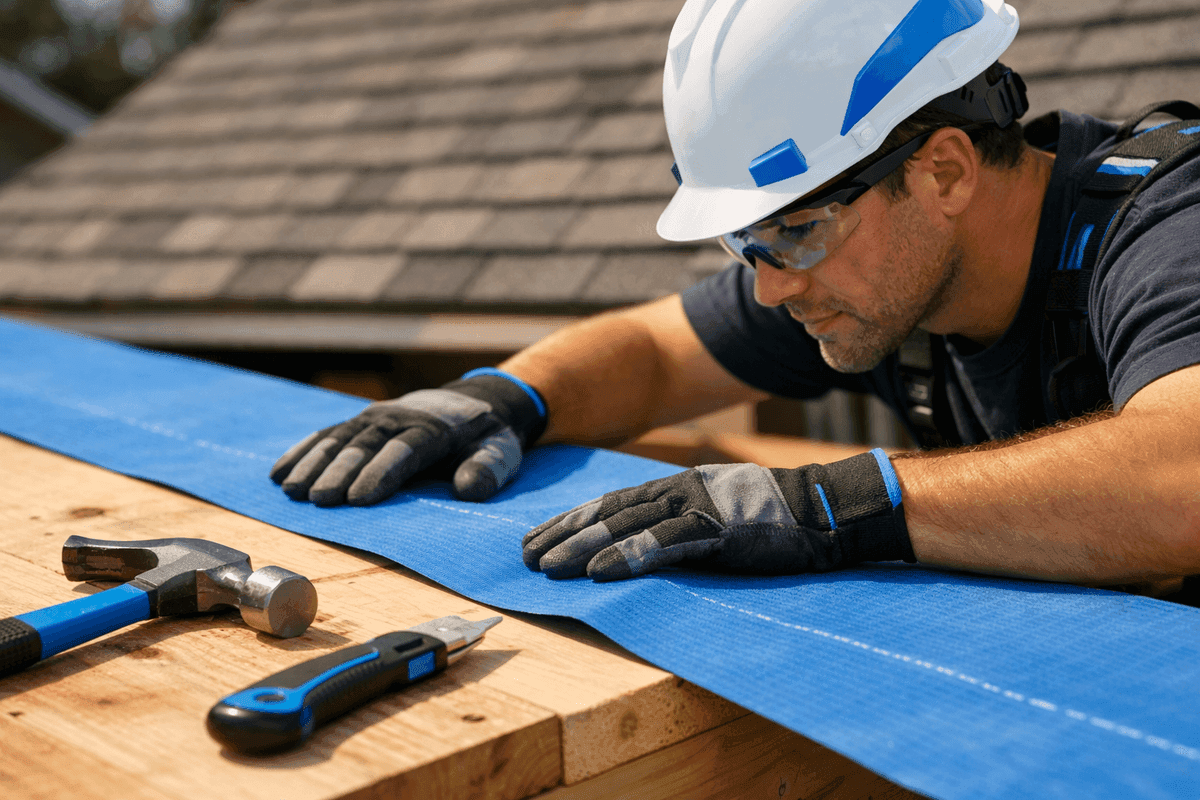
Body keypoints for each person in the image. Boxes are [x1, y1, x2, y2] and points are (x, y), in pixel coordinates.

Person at [270, 0, 1200, 591]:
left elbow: (1182, 482)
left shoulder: (1168, 226)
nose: (770, 284)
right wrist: (505, 396)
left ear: (946, 171)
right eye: (744, 241)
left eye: (793, 230)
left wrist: (832, 504)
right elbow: (655, 351)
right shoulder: (872, 273)